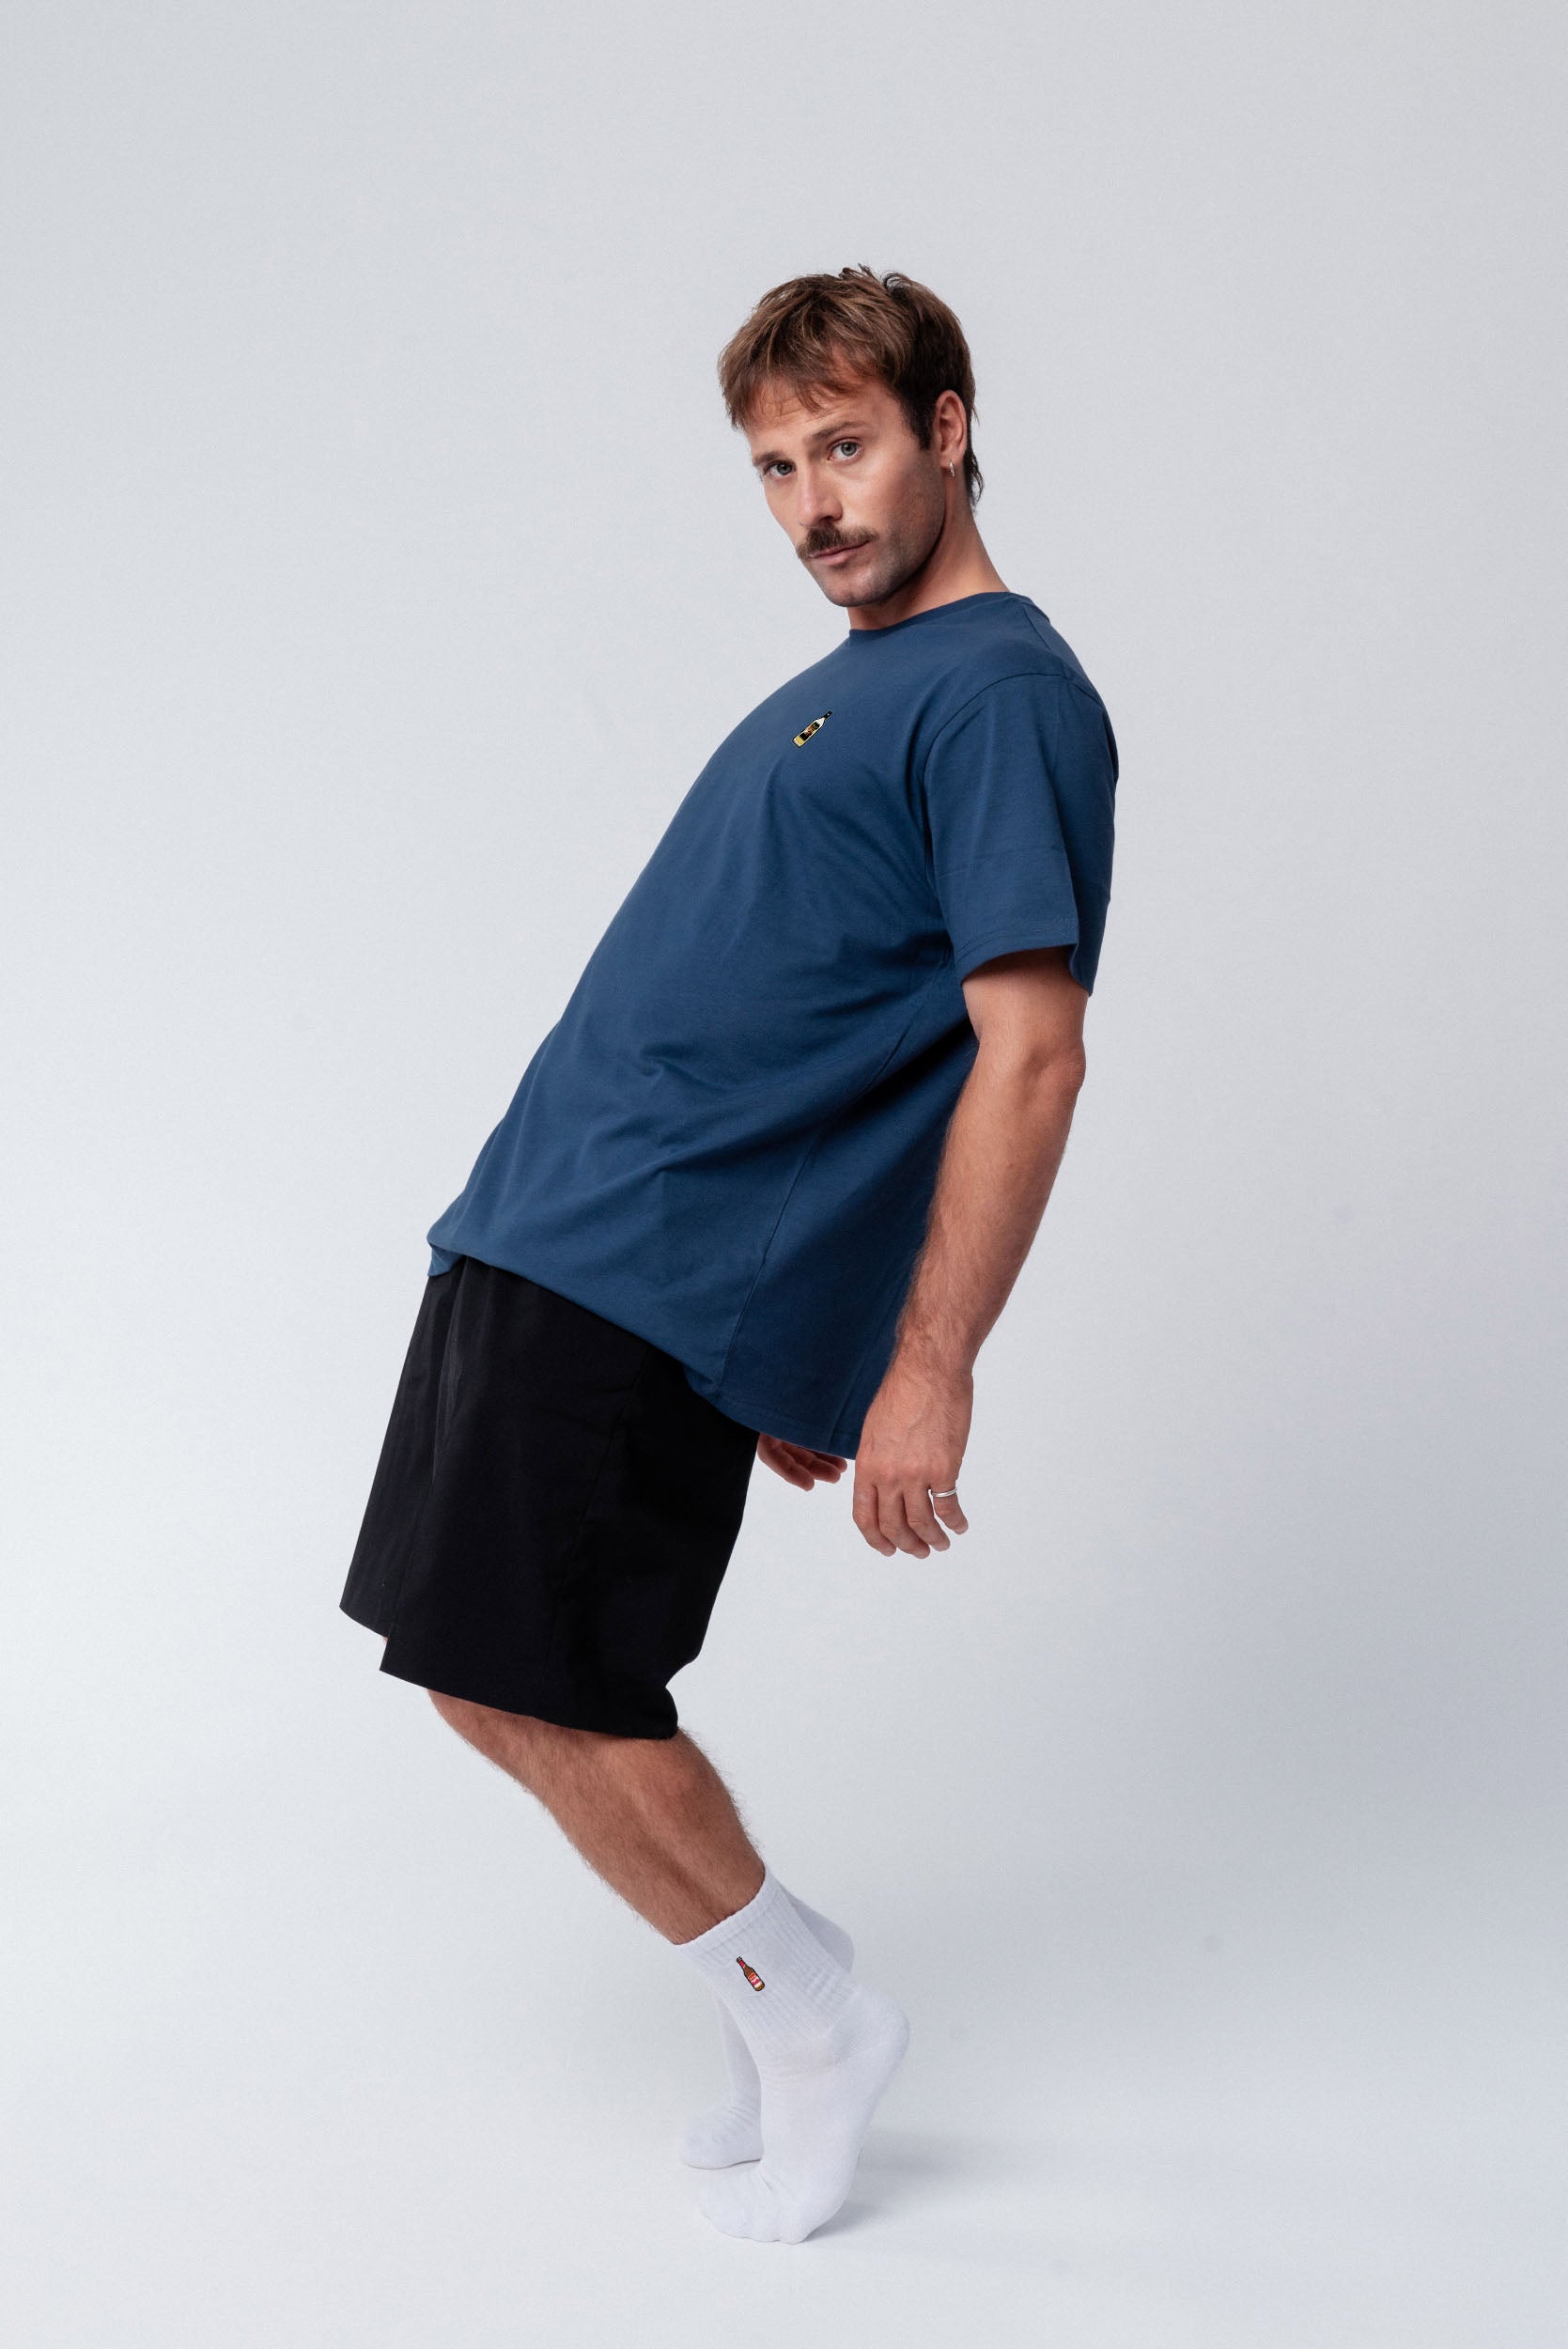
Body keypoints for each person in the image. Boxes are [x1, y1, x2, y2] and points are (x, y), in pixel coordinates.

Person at [340, 265, 1118, 2243]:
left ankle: (815, 2023)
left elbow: (1024, 1052)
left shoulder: (1003, 695)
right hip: (554, 1226)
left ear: (948, 428)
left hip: (648, 1263)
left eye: (843, 448)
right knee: (476, 1668)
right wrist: (804, 1335)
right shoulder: (849, 684)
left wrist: (922, 1359)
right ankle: (786, 1987)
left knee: (557, 1677)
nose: (810, 506)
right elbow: (829, 1014)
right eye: (774, 468)